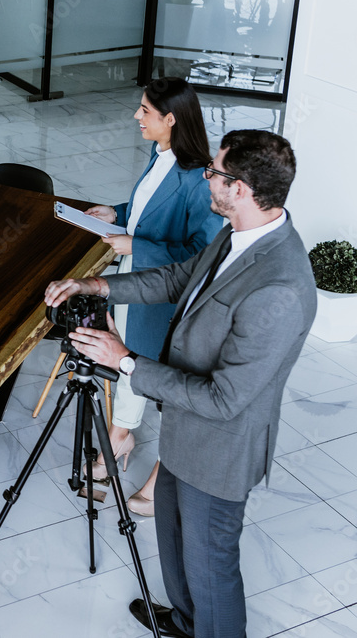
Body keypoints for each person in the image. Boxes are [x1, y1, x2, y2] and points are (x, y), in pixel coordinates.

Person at [45, 130, 316, 638]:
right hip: (184, 431)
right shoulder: (235, 232)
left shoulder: (279, 287)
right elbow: (177, 279)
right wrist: (97, 284)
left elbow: (225, 398)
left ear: (241, 188)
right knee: (172, 533)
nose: (206, 178)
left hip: (219, 449)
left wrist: (125, 361)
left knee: (211, 563)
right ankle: (187, 621)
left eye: (215, 173)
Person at [83, 78, 223, 517]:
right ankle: (121, 436)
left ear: (171, 119)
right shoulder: (158, 153)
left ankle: (126, 444)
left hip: (158, 296)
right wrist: (115, 214)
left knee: (137, 365)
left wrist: (136, 247)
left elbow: (201, 254)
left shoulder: (198, 180)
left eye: (144, 110)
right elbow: (145, 214)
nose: (136, 117)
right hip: (131, 281)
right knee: (123, 361)